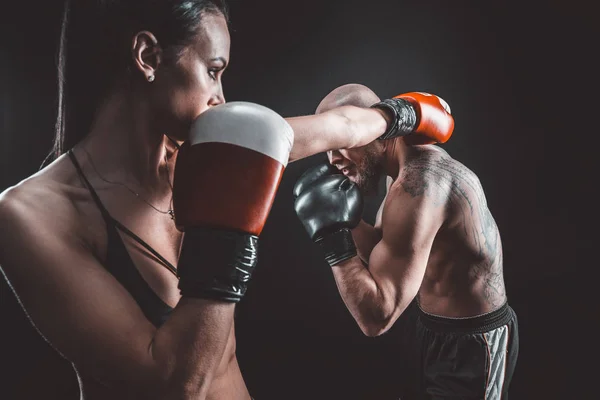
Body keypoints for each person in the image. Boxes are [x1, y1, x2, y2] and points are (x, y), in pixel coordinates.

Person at [0, 1, 450, 399]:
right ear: (148, 56)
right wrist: (226, 238)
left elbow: (344, 126)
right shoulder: (33, 217)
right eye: (213, 71)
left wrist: (404, 113)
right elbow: (178, 385)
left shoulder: (206, 155)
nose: (221, 98)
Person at [293, 84, 518, 400]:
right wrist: (348, 222)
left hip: (471, 345)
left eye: (341, 145)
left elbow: (376, 318)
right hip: (432, 330)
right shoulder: (401, 170)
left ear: (374, 131)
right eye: (328, 150)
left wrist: (333, 238)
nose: (333, 161)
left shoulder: (420, 186)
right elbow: (385, 252)